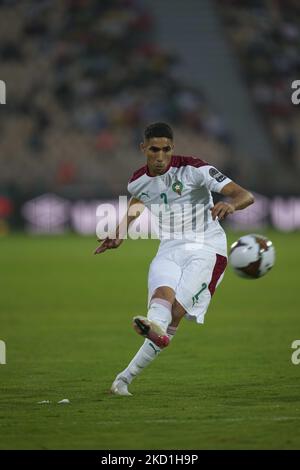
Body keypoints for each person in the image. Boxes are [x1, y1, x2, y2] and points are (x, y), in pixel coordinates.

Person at [94, 122, 254, 396]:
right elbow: (138, 199)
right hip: (169, 246)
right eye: (154, 150)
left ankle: (127, 374)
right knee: (161, 296)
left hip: (206, 248)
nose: (160, 156)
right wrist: (121, 232)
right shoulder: (137, 180)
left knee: (175, 313)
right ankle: (139, 355)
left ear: (172, 148)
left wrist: (230, 204)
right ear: (143, 149)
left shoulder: (196, 169)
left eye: (166, 150)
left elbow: (245, 195)